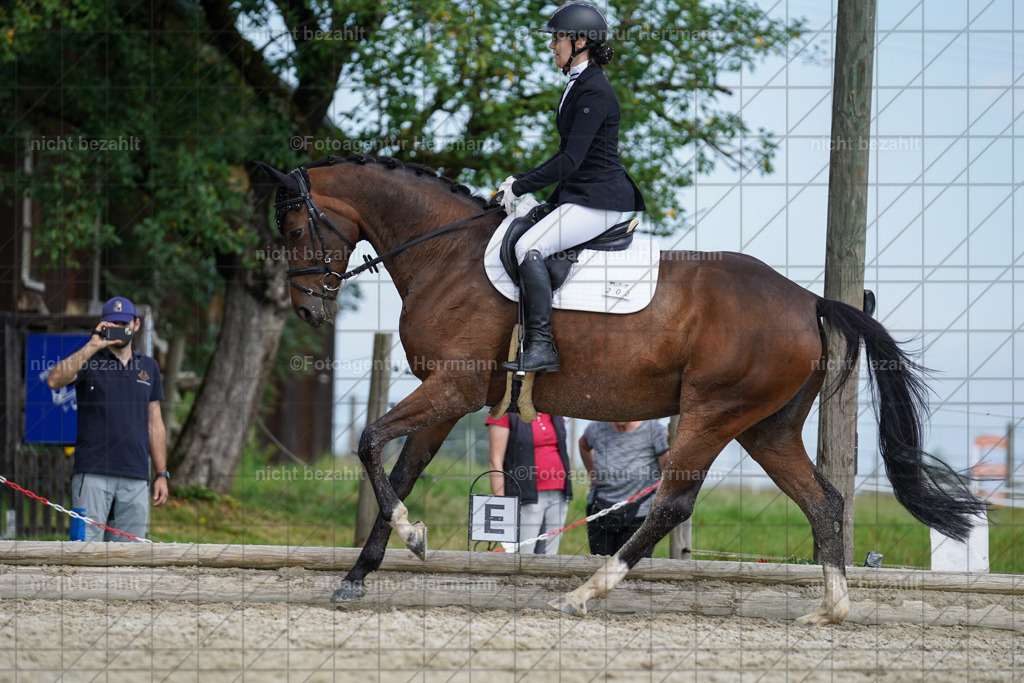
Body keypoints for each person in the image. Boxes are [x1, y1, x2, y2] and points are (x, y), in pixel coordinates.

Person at [496, 1, 646, 374]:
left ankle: (542, 346)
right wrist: (538, 195)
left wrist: (520, 184)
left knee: (528, 246)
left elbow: (570, 161)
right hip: (581, 196)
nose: (552, 45)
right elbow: (568, 158)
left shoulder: (594, 90)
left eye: (557, 38)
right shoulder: (578, 84)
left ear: (580, 41)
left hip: (600, 201)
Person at [47, 296, 168, 541]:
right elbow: (54, 380)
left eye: (124, 323)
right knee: (85, 550)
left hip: (135, 474)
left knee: (130, 558)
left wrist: (162, 474)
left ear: (136, 325)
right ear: (103, 325)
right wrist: (92, 345)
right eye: (113, 323)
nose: (119, 328)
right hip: (92, 472)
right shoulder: (88, 359)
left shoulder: (149, 366)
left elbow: (155, 424)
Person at [485, 412, 573, 553]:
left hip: (559, 494)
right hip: (525, 496)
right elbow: (495, 462)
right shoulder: (504, 412)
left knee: (549, 557)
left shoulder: (554, 412)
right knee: (523, 555)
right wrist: (500, 505)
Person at [580, 420, 669, 557]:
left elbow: (667, 470)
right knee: (599, 567)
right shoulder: (596, 427)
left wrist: (674, 445)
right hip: (600, 509)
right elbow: (584, 446)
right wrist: (593, 476)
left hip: (640, 514)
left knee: (633, 570)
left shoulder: (656, 430)